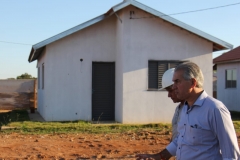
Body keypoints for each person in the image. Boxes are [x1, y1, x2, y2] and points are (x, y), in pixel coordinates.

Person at [156, 62, 240, 160]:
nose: (174, 87)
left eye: (177, 81)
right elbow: (181, 140)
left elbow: (231, 155)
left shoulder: (215, 109)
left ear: (192, 83)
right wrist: (159, 156)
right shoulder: (185, 109)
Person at [136, 68, 184, 160]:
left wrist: (158, 156)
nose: (169, 95)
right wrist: (159, 157)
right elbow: (176, 139)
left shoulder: (205, 109)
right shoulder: (179, 109)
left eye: (170, 91)